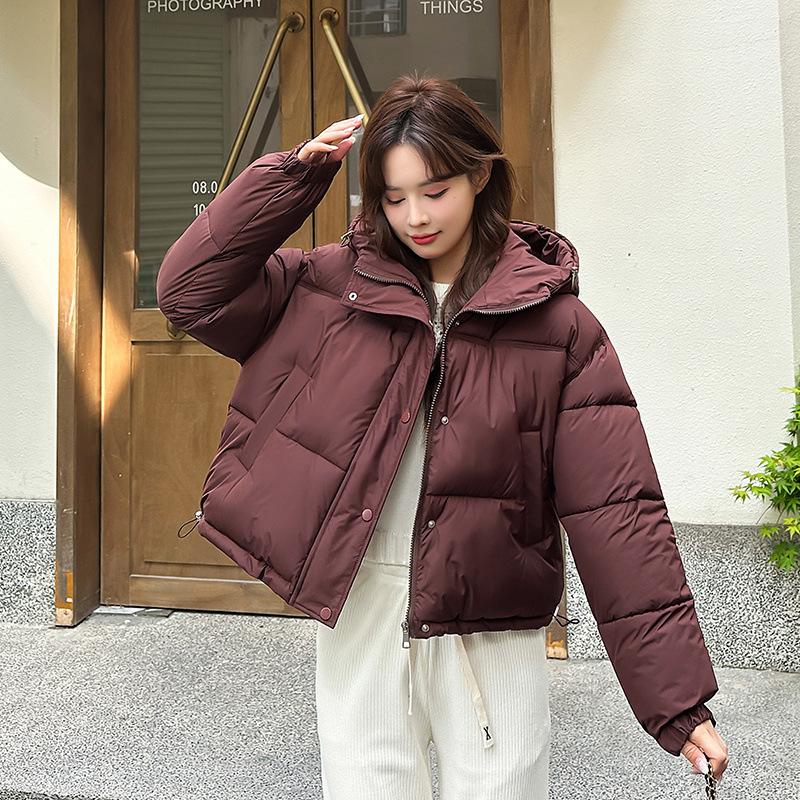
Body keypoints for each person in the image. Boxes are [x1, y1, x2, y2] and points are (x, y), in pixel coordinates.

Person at [156, 74, 729, 797]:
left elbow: (619, 514)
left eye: (435, 191)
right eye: (394, 197)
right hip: (361, 607)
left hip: (490, 626)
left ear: (480, 176)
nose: (416, 217)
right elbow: (188, 290)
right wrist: (292, 180)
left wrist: (677, 703)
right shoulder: (329, 290)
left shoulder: (558, 329)